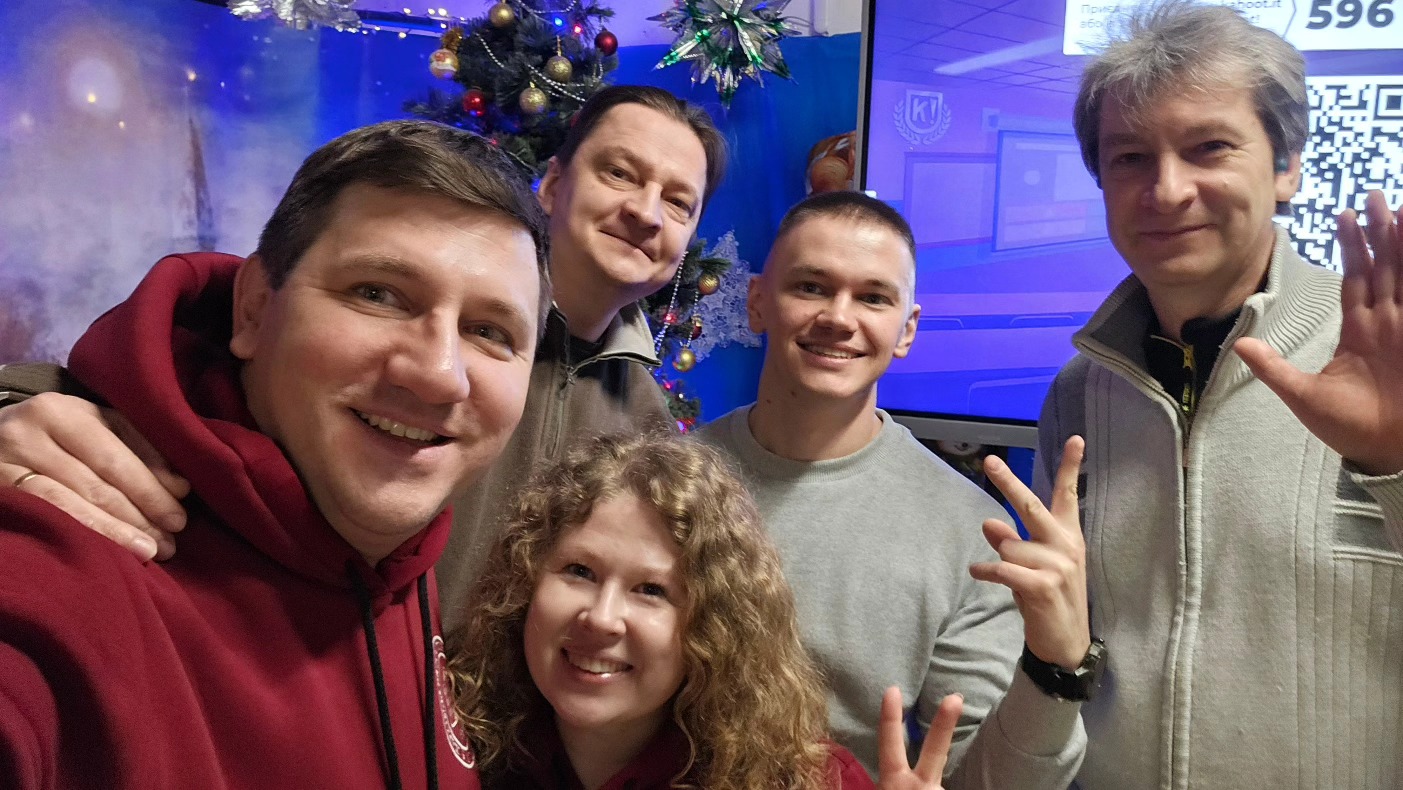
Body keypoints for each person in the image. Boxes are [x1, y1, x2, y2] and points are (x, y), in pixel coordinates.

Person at [0, 85, 727, 630]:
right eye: (620, 173)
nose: (645, 212)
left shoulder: (644, 410)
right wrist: (12, 410)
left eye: (679, 202)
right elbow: (156, 372)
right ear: (555, 184)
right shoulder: (287, 313)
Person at [0, 120, 551, 788]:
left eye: (490, 331)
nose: (439, 374)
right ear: (256, 309)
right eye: (376, 294)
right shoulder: (73, 538)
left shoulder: (394, 555)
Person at [1034, 2, 1403, 786]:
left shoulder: (1386, 360)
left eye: (1208, 147)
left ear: (1285, 166)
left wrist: (1394, 465)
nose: (1166, 190)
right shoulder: (1079, 392)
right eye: (1129, 157)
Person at [697, 190, 1089, 787]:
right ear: (757, 302)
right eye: (811, 287)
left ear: (907, 329)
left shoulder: (969, 532)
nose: (839, 317)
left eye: (873, 297)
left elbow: (994, 777)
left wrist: (1055, 670)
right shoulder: (669, 481)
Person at [446, 431, 964, 790]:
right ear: (526, 581)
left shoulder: (802, 781)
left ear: (713, 626)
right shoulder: (456, 744)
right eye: (579, 571)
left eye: (651, 590)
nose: (601, 618)